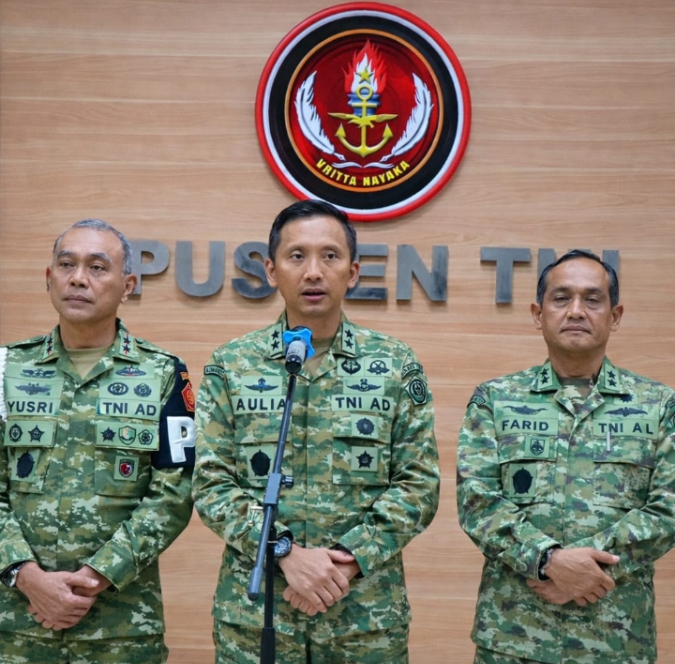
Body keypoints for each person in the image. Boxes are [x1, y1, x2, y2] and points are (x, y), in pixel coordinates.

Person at [192, 199, 440, 663]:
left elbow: (418, 484)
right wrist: (285, 551)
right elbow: (210, 483)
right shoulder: (232, 365)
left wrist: (345, 563)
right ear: (271, 271)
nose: (313, 272)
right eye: (296, 256)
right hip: (258, 618)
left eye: (330, 256)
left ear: (353, 272)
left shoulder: (394, 364)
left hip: (364, 619)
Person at [457, 249, 675, 664]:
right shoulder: (495, 400)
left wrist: (587, 568)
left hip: (617, 639)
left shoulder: (659, 405)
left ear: (615, 315)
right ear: (538, 314)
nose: (576, 311)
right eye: (561, 298)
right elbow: (477, 502)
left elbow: (669, 508)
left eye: (592, 299)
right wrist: (547, 559)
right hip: (514, 637)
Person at [0, 219, 195, 664]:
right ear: (48, 277)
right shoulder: (6, 368)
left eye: (97, 267)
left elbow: (175, 492)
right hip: (15, 624)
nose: (78, 278)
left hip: (121, 629)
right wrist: (26, 576)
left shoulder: (163, 372)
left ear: (127, 285)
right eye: (66, 264)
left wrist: (96, 576)